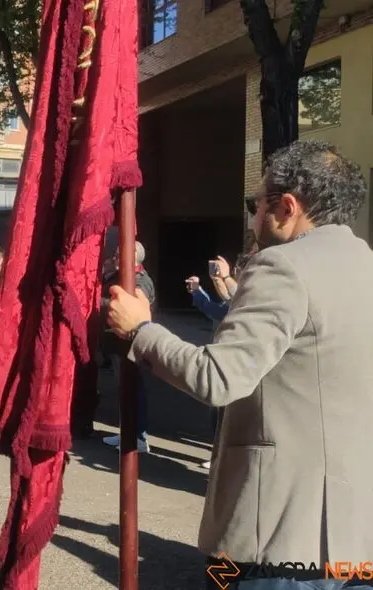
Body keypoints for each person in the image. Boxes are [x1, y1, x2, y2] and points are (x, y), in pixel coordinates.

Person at [106, 141, 373, 587]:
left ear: (287, 206)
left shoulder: (283, 266)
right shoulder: (365, 264)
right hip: (358, 538)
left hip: (284, 537)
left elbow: (218, 377)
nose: (252, 218)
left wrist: (141, 330)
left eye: (255, 203)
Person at [99, 242, 157, 453]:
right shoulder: (118, 275)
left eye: (119, 254)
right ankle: (127, 432)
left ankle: (138, 437)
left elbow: (131, 307)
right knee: (124, 390)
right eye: (115, 253)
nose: (115, 257)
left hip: (131, 344)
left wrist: (98, 301)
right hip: (116, 342)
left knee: (133, 389)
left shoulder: (140, 281)